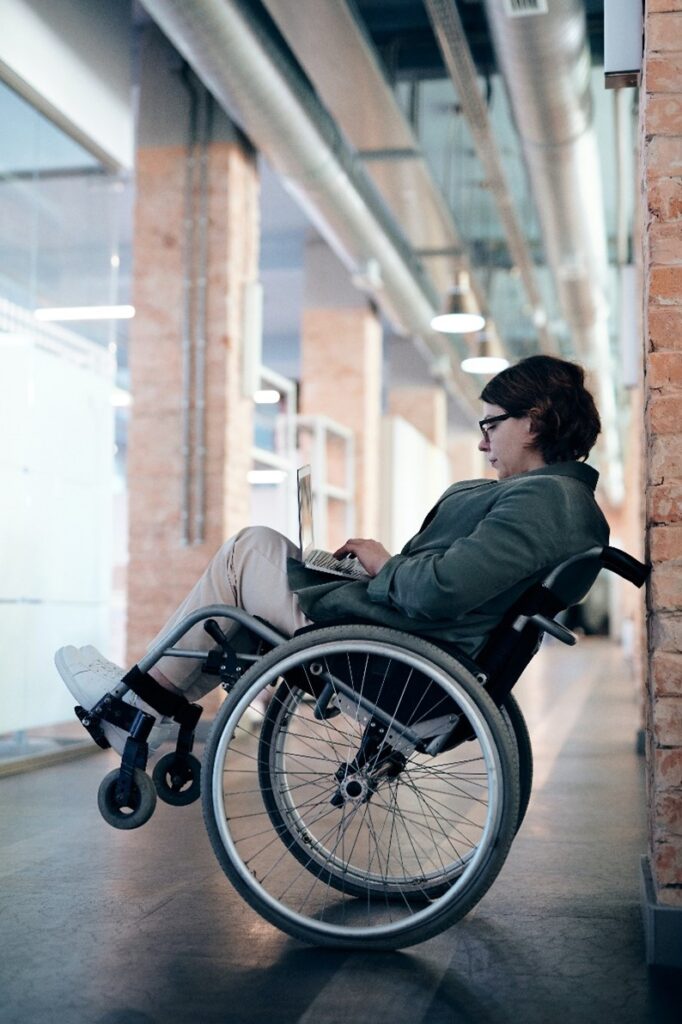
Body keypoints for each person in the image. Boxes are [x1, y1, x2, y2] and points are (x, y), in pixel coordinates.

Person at [55, 354, 609, 753]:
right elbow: (458, 582)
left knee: (247, 551)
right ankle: (146, 707)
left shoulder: (544, 501)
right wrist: (371, 567)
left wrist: (384, 566)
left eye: (491, 424)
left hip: (395, 661)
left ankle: (133, 708)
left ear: (533, 421)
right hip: (405, 643)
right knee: (257, 580)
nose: (484, 442)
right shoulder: (555, 500)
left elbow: (442, 591)